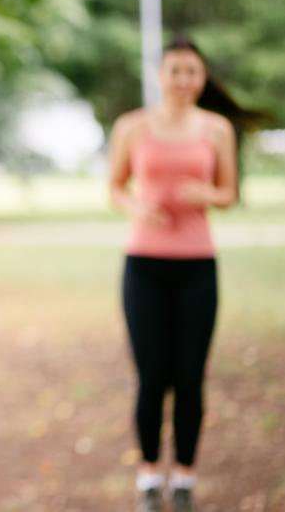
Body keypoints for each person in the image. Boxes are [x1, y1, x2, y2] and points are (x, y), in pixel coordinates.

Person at [108, 36, 265, 512]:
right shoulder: (132, 126)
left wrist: (205, 194)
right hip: (144, 266)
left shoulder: (217, 129)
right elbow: (115, 187)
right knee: (152, 376)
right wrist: (138, 206)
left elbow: (229, 194)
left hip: (198, 266)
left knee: (191, 376)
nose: (182, 79)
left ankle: (184, 478)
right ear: (161, 75)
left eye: (191, 71)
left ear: (202, 78)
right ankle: (149, 476)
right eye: (174, 70)